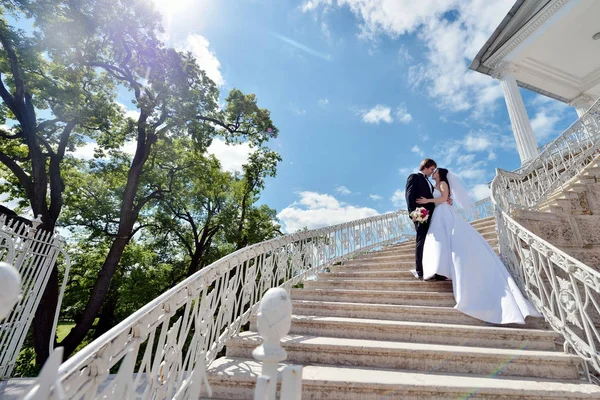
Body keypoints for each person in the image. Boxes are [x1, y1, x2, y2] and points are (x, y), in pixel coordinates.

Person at [416, 168, 541, 324]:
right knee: (439, 243)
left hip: (444, 214)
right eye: (432, 171)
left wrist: (428, 202)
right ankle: (439, 268)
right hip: (438, 215)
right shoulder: (434, 184)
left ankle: (443, 270)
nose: (433, 173)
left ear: (440, 174)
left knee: (450, 241)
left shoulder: (442, 183)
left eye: (435, 171)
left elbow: (444, 198)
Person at [404, 158, 436, 280]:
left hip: (432, 215)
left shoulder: (429, 182)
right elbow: (409, 195)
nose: (432, 172)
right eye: (432, 169)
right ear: (425, 167)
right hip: (420, 214)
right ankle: (420, 270)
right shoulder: (414, 177)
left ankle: (431, 267)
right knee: (421, 241)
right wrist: (413, 213)